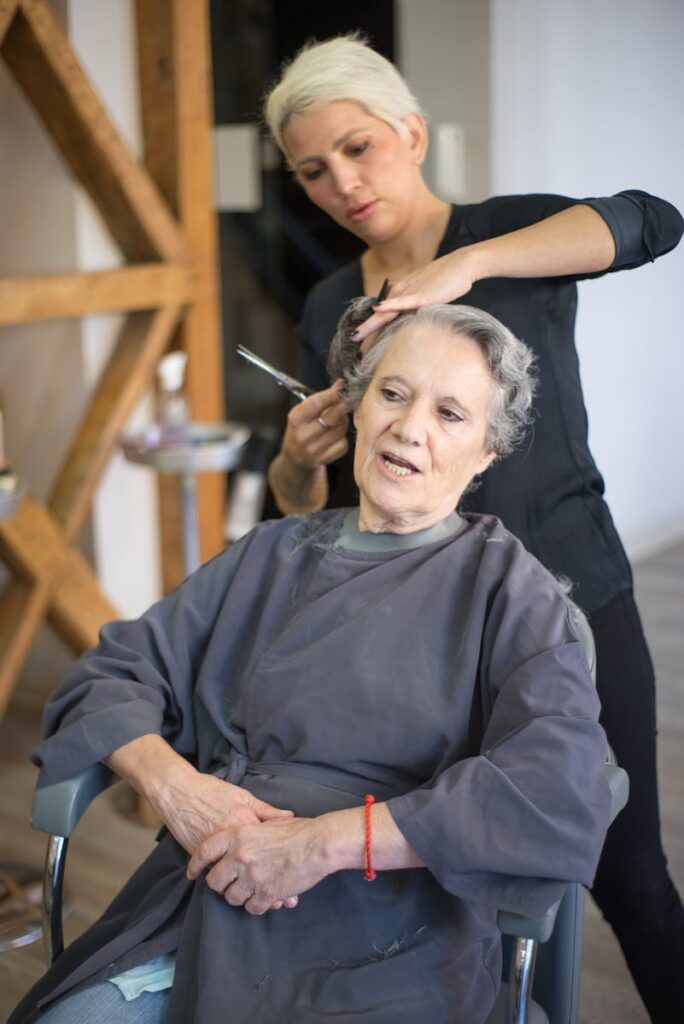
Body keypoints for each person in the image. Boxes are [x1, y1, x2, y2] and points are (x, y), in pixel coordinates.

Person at [11, 304, 611, 1024]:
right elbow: (110, 673)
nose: (410, 427)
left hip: (393, 933)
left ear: (487, 451)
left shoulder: (512, 591)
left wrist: (323, 844)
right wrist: (176, 789)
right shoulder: (270, 554)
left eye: (451, 414)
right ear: (355, 406)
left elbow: (555, 782)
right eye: (393, 393)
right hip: (210, 899)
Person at [262, 35, 684, 1023]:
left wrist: (465, 268)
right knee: (457, 890)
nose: (342, 184)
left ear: (411, 131)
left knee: (631, 882)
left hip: (576, 599)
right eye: (314, 171)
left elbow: (657, 221)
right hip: (424, 638)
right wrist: (297, 451)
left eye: (360, 149)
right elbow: (310, 507)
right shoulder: (334, 302)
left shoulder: (516, 237)